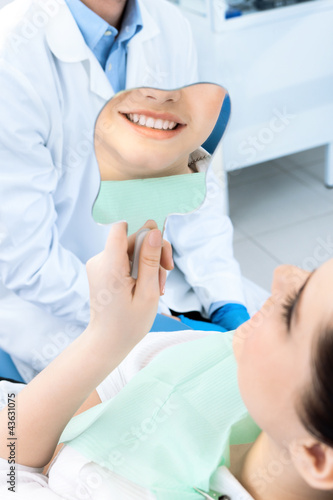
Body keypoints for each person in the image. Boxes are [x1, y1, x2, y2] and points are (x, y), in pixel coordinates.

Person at [0, 221, 332, 500]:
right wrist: (110, 336)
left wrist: (101, 340)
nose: (283, 275)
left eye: (292, 313)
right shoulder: (226, 362)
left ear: (316, 457)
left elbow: (7, 462)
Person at [0, 0, 198, 382]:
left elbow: (191, 179)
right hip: (54, 313)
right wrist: (137, 316)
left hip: (162, 293)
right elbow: (28, 258)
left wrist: (225, 296)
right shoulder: (13, 51)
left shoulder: (169, 24)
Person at [93, 84, 251, 332]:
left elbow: (198, 215)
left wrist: (227, 302)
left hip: (179, 299)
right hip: (87, 315)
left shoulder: (178, 104)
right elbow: (31, 260)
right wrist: (156, 323)